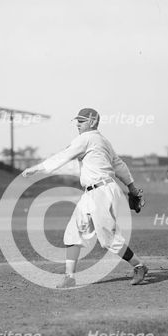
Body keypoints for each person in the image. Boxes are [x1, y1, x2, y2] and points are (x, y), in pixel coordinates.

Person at [22, 108, 148, 288]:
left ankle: (139, 266)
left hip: (101, 191)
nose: (78, 124)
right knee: (73, 232)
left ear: (93, 121)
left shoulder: (87, 138)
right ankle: (69, 277)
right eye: (77, 121)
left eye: (81, 121)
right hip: (92, 193)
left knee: (107, 238)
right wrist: (132, 188)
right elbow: (119, 166)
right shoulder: (103, 141)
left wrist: (38, 168)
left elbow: (65, 155)